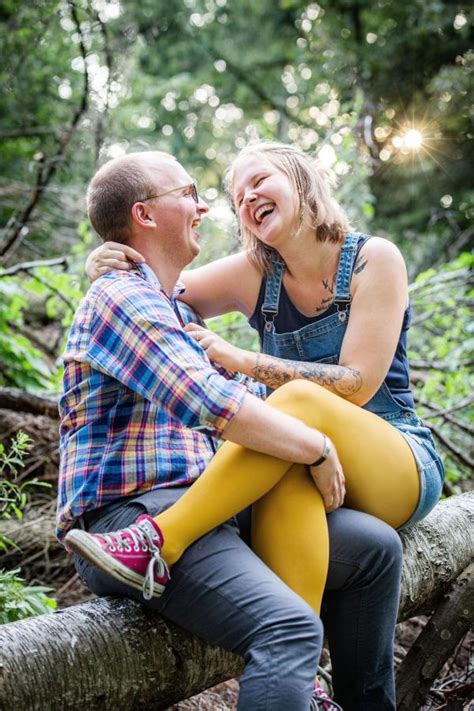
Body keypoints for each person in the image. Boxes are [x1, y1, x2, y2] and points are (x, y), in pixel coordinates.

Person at [59, 145, 433, 710]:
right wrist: (105, 261)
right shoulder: (141, 295)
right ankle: (301, 675)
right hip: (142, 503)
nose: (216, 207)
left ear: (300, 178)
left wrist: (293, 422)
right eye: (202, 195)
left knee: (305, 422)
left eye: (259, 179)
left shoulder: (371, 257)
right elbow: (193, 364)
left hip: (390, 451)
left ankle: (165, 540)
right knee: (351, 565)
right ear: (144, 214)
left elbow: (343, 387)